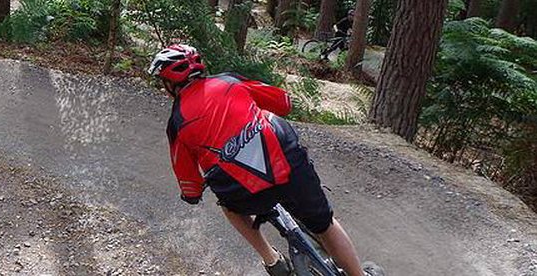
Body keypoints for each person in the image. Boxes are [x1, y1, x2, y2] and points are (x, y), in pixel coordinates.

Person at [148, 44, 382, 276]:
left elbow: (190, 185)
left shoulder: (177, 122)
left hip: (242, 192)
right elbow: (284, 103)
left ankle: (272, 260)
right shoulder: (229, 82)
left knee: (230, 209)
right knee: (325, 225)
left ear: (170, 84)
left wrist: (193, 195)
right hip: (289, 168)